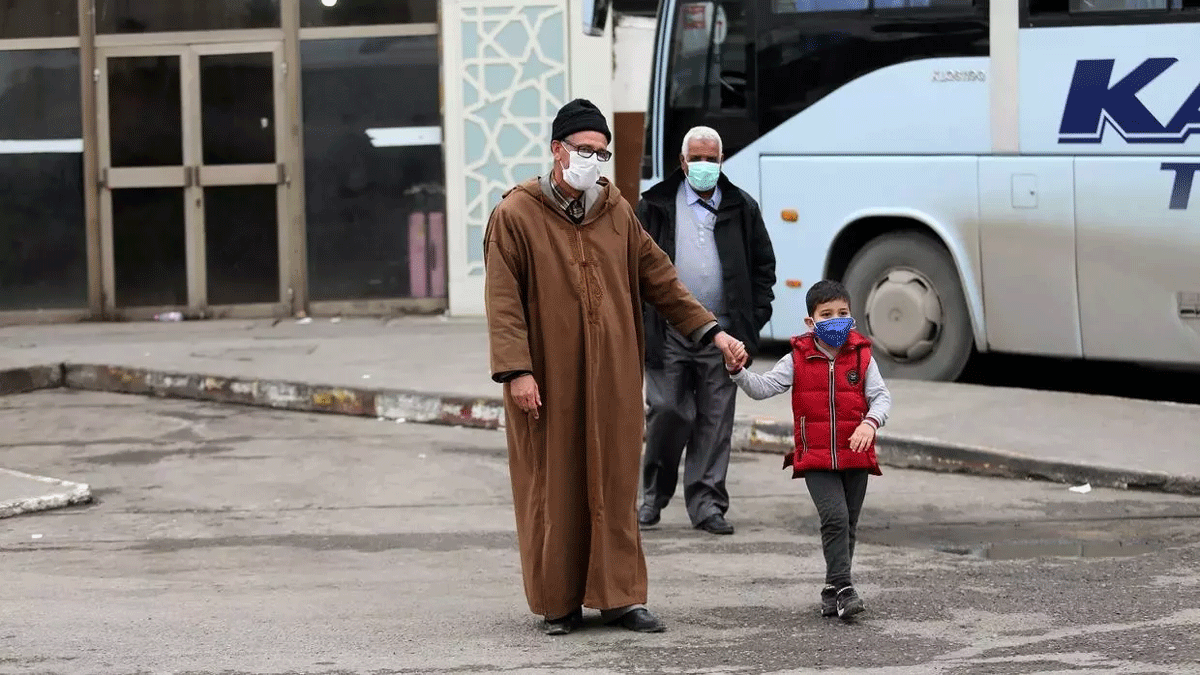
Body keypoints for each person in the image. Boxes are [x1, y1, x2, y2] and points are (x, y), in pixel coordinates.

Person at [484, 98, 747, 636]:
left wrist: (713, 331)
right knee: (555, 486)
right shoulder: (516, 214)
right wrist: (517, 372)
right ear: (557, 151)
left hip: (613, 377)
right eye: (584, 151)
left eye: (601, 154)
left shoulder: (616, 211)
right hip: (547, 380)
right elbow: (503, 302)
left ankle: (621, 598)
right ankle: (558, 603)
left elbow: (662, 279)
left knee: (615, 484)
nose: (593, 162)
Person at [635, 126, 776, 535]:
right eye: (695, 159)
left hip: (726, 335)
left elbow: (764, 267)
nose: (703, 166)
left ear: (721, 162)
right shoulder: (655, 205)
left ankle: (707, 503)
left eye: (710, 159)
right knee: (668, 411)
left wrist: (753, 322)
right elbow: (635, 267)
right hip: (668, 331)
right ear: (682, 163)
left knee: (716, 420)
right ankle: (653, 498)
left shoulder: (741, 206)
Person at [724, 279, 892, 621]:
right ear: (811, 323)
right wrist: (737, 370)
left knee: (849, 524)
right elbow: (762, 387)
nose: (836, 320)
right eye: (826, 314)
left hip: (855, 454)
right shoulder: (797, 357)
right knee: (835, 518)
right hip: (814, 456)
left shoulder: (862, 355)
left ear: (852, 316)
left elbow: (882, 397)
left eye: (842, 313)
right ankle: (846, 589)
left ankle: (831, 591)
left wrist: (870, 423)